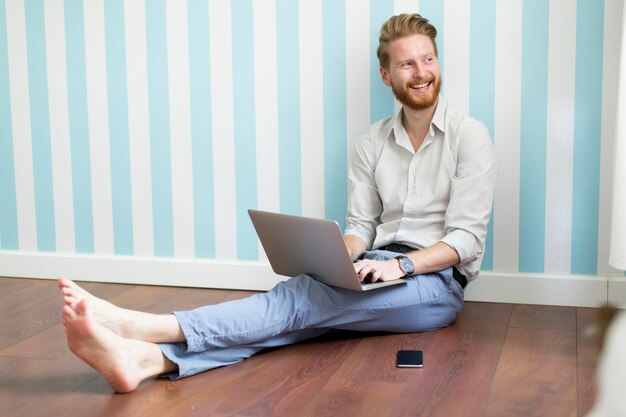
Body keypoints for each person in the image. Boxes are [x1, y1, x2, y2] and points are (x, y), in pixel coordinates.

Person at [58, 13, 497, 393]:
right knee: (301, 318)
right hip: (376, 267)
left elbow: (465, 241)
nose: (421, 72)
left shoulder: (469, 136)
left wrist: (398, 267)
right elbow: (361, 226)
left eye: (428, 59)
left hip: (434, 285)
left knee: (298, 304)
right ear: (387, 75)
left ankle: (145, 327)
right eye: (407, 63)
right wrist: (336, 261)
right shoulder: (372, 141)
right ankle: (151, 361)